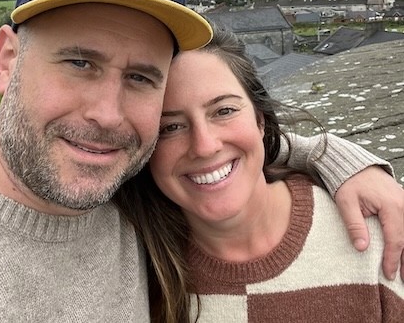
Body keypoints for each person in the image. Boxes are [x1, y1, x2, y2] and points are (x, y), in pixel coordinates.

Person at [0, 0, 402, 322]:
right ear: (7, 60)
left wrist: (340, 160)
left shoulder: (128, 198)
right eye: (80, 63)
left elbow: (225, 150)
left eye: (140, 78)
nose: (107, 114)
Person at [115, 26, 404, 322]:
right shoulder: (133, 270)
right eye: (170, 128)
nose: (204, 146)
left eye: (224, 111)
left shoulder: (374, 236)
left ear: (260, 121)